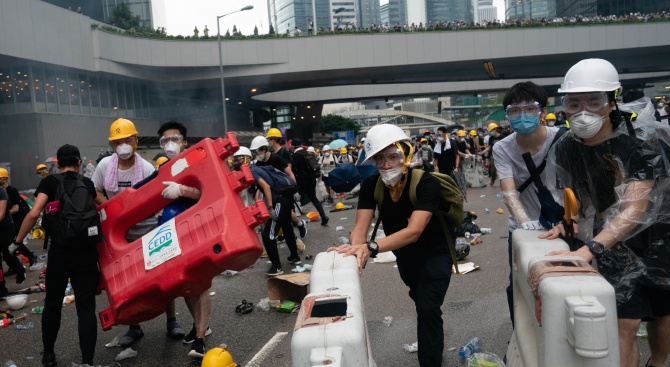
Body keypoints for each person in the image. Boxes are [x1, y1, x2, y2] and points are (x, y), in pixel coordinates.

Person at [540, 58, 670, 367]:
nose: (583, 111)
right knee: (624, 320)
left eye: (594, 101)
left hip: (658, 239)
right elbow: (574, 197)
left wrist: (591, 247)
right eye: (574, 103)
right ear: (564, 107)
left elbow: (637, 207)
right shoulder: (567, 146)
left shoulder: (642, 142)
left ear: (612, 102)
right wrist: (568, 226)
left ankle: (658, 363)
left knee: (662, 315)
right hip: (610, 240)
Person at [328, 124, 453, 367]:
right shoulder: (371, 185)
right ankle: (433, 340)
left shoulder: (426, 183)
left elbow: (414, 230)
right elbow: (360, 228)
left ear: (407, 153)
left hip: (436, 252)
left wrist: (371, 248)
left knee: (428, 308)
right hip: (405, 256)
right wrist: (355, 250)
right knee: (422, 303)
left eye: (393, 156)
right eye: (379, 159)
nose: (386, 165)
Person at [91, 118, 184, 347]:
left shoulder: (146, 168)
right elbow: (94, 190)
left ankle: (171, 320)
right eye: (118, 141)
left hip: (146, 230)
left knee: (164, 274)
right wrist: (112, 210)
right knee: (126, 282)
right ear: (112, 145)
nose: (123, 144)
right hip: (118, 236)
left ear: (135, 140)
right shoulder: (104, 166)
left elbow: (153, 199)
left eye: (127, 139)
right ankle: (134, 327)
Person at [132, 121, 212, 358]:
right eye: (164, 141)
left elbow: (208, 192)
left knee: (202, 283)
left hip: (198, 228)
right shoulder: (164, 168)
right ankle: (199, 327)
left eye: (174, 139)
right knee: (186, 284)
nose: (169, 145)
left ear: (184, 141)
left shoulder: (197, 161)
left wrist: (183, 191)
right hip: (173, 233)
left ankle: (199, 339)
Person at [14, 144, 98, 366]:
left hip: (60, 252)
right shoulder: (87, 183)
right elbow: (106, 205)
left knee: (52, 303)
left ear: (58, 164)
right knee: (86, 307)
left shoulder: (49, 182)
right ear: (79, 163)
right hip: (87, 253)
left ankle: (49, 355)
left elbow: (34, 213)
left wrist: (18, 241)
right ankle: (87, 360)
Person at [492, 81, 561, 327]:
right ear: (507, 116)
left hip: (563, 225)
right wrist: (524, 223)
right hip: (524, 227)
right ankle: (521, 337)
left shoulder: (562, 139)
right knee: (518, 286)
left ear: (542, 111)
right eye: (514, 111)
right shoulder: (502, 148)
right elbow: (509, 191)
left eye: (530, 109)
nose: (522, 116)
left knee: (561, 283)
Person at [250, 136, 302, 276]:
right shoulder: (258, 165)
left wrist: (293, 190)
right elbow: (261, 188)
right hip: (278, 198)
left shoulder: (276, 158)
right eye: (254, 152)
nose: (256, 154)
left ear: (264, 149)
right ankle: (295, 257)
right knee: (286, 227)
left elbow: (289, 173)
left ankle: (277, 267)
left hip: (281, 198)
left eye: (258, 151)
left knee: (269, 234)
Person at [1, 168, 36, 268]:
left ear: (5, 179)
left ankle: (31, 256)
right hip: (8, 221)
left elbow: (16, 208)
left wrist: (4, 213)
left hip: (17, 220)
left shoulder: (11, 191)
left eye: (1, 179)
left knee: (14, 242)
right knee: (9, 244)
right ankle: (15, 265)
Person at [293, 144, 329, 226]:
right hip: (312, 180)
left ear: (293, 146)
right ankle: (323, 216)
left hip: (301, 182)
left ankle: (295, 221)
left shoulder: (296, 156)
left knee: (295, 200)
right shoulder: (307, 153)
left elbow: (294, 170)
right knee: (314, 199)